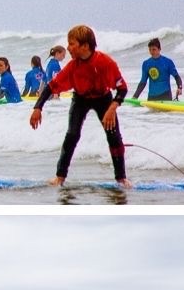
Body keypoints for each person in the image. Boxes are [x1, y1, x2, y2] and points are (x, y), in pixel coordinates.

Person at [29, 25, 132, 188]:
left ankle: (122, 179)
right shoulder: (73, 66)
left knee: (114, 136)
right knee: (72, 135)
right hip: (80, 99)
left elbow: (122, 88)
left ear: (85, 46)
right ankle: (59, 177)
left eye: (72, 44)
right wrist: (37, 108)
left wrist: (112, 108)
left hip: (103, 99)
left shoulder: (105, 62)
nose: (68, 48)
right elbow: (51, 87)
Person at [132, 37, 182, 101]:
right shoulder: (146, 63)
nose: (151, 52)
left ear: (159, 49)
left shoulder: (168, 62)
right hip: (151, 97)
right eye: (150, 49)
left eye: (154, 49)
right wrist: (135, 97)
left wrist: (179, 88)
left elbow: (176, 76)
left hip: (165, 95)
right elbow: (143, 82)